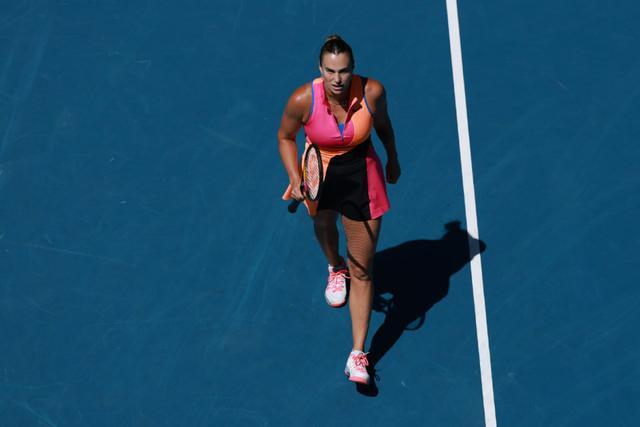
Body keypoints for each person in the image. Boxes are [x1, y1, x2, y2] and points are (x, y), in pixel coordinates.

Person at [277, 35, 401, 385]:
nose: (337, 79)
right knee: (323, 225)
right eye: (330, 71)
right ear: (320, 69)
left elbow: (384, 126)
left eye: (344, 71)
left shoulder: (372, 92)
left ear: (353, 69)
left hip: (363, 177)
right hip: (320, 172)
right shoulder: (303, 99)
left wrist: (392, 157)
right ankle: (335, 266)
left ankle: (358, 354)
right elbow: (285, 137)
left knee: (363, 269)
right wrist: (295, 176)